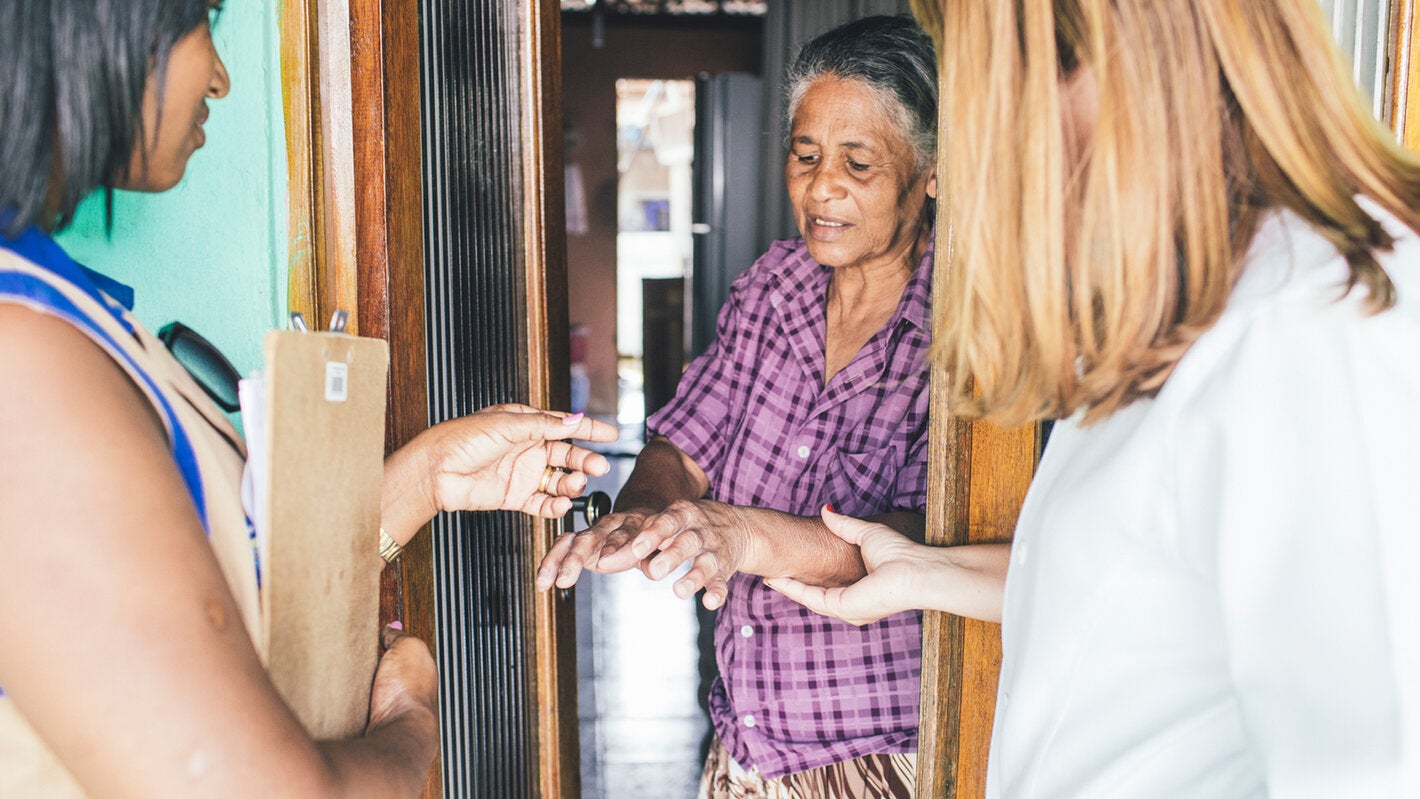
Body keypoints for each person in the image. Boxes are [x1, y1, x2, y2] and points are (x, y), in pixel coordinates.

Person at [770, 1, 1420, 796]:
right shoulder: (1172, 306)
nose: (984, 149)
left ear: (1120, 61)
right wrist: (922, 572)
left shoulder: (1312, 329)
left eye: (995, 87)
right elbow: (1139, 594)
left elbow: (1365, 773)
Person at [0, 2, 616, 796]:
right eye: (199, 26)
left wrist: (425, 477)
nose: (220, 76)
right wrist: (412, 722)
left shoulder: (55, 313)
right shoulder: (25, 364)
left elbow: (198, 608)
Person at [538, 15, 938, 799]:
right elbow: (683, 446)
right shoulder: (774, 286)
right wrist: (646, 511)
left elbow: (920, 546)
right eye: (805, 154)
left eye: (858, 163)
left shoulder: (958, 334)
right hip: (745, 748)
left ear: (930, 170)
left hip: (879, 759)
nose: (822, 187)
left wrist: (736, 533)